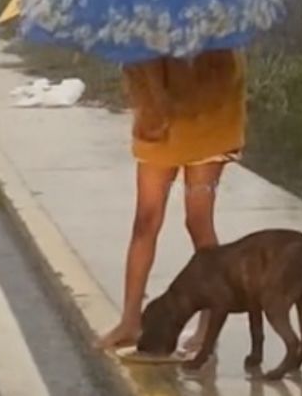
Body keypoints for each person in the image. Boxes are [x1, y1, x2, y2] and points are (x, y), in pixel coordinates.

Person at [98, 48, 247, 351]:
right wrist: (152, 100)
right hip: (157, 122)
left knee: (197, 219)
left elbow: (230, 73)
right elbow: (134, 71)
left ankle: (209, 322)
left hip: (210, 119)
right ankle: (130, 320)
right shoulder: (140, 17)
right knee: (146, 220)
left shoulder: (213, 20)